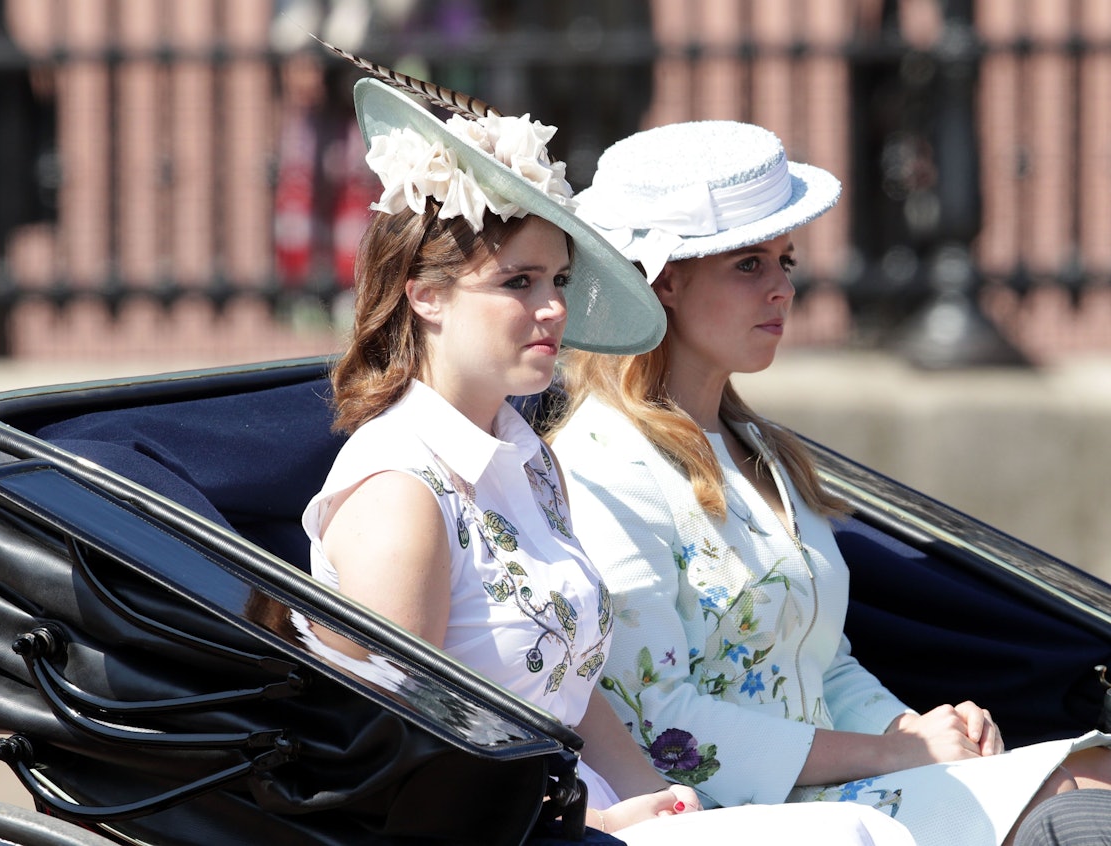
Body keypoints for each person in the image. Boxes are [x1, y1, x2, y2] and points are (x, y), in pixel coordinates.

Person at [300, 65, 918, 845]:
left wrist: (656, 796)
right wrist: (592, 818)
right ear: (427, 296)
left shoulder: (527, 460)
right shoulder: (401, 489)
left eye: (558, 278)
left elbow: (574, 686)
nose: (554, 306)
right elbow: (416, 750)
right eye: (518, 281)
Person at [547, 119, 1111, 846]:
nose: (784, 287)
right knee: (1079, 794)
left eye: (785, 260)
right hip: (726, 814)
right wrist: (894, 753)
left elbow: (824, 663)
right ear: (665, 283)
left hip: (834, 788)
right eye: (748, 264)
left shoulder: (763, 450)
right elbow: (661, 723)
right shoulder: (600, 461)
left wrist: (916, 729)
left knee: (1093, 770)